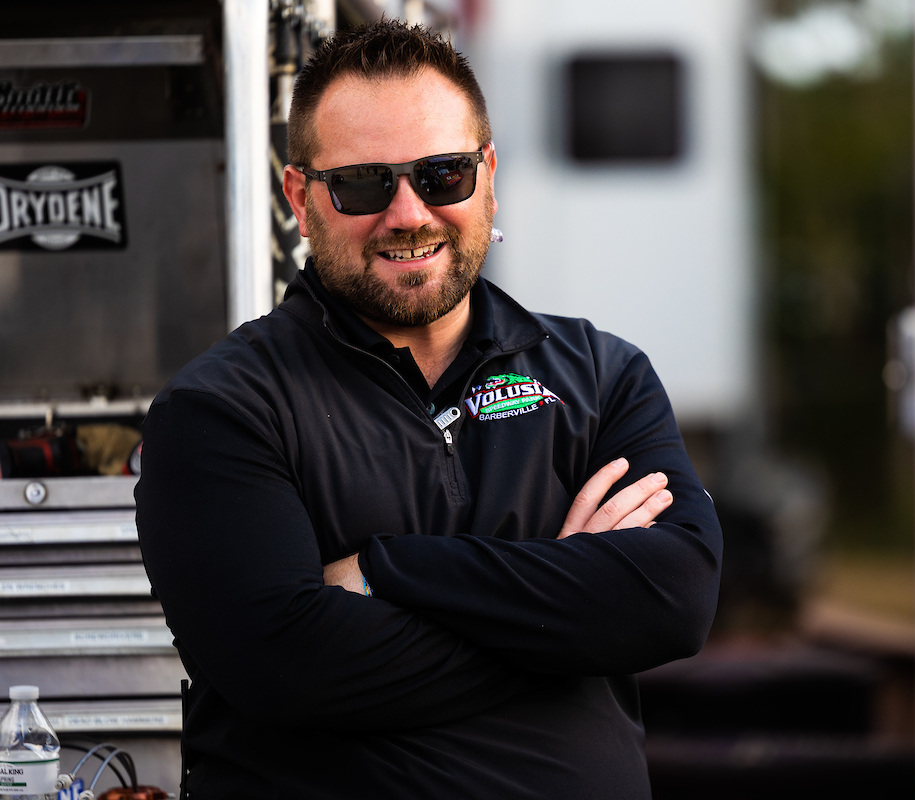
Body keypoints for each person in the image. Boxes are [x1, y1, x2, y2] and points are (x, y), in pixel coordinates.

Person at [135, 19, 722, 800]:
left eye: (443, 175)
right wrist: (567, 611)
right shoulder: (221, 411)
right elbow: (290, 668)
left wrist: (385, 570)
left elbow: (673, 597)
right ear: (299, 198)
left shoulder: (601, 375)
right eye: (364, 184)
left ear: (488, 174)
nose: (409, 214)